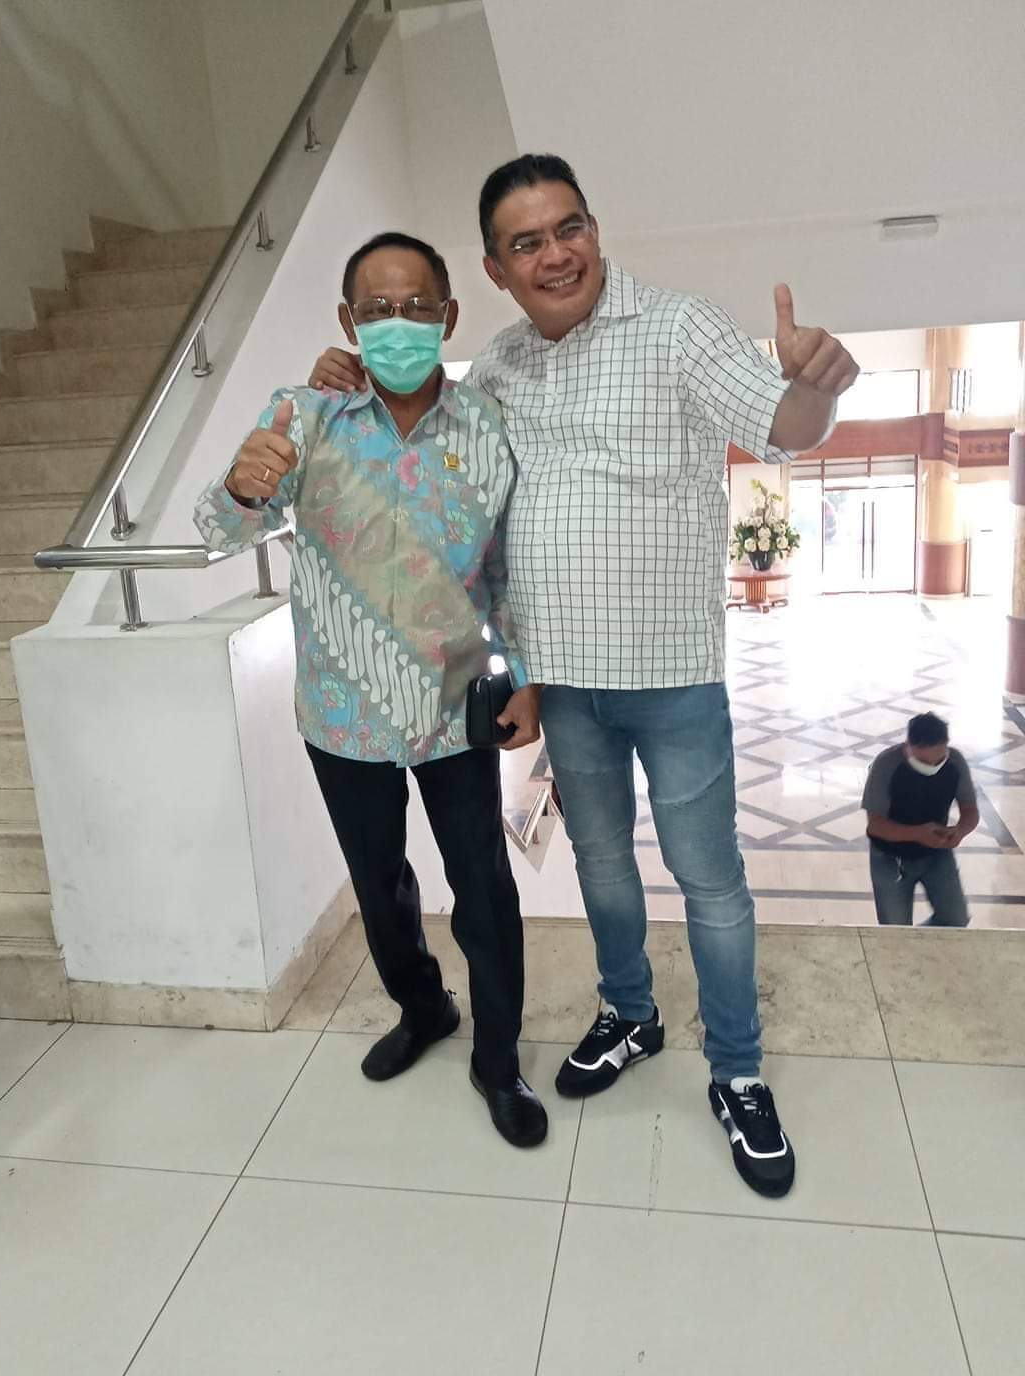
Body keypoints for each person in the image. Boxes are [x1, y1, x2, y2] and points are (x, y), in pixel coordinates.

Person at [309, 155, 859, 1199]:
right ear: (496, 270)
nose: (555, 253)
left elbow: (787, 428)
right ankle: (630, 1015)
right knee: (602, 867)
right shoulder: (498, 369)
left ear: (594, 231)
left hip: (673, 677)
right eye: (527, 243)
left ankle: (738, 1071)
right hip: (563, 684)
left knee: (709, 881)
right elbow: (451, 481)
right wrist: (342, 379)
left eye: (569, 228)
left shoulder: (679, 329)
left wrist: (815, 391)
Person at [194, 232, 548, 1148]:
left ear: (449, 316)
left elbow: (504, 573)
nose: (399, 323)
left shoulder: (486, 427)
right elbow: (220, 531)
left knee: (484, 889)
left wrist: (528, 680)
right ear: (349, 320)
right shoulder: (306, 415)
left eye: (417, 306)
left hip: (455, 708)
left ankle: (498, 1059)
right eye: (378, 309)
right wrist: (240, 488)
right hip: (342, 715)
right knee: (380, 884)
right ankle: (423, 1008)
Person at [862, 712, 977, 927]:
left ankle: (921, 944)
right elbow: (875, 825)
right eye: (923, 761)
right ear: (908, 746)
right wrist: (918, 834)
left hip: (936, 852)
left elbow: (970, 810)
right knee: (895, 927)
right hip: (890, 857)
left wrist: (960, 831)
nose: (932, 766)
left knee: (956, 921)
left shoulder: (955, 762)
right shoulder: (886, 764)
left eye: (939, 759)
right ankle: (910, 945)